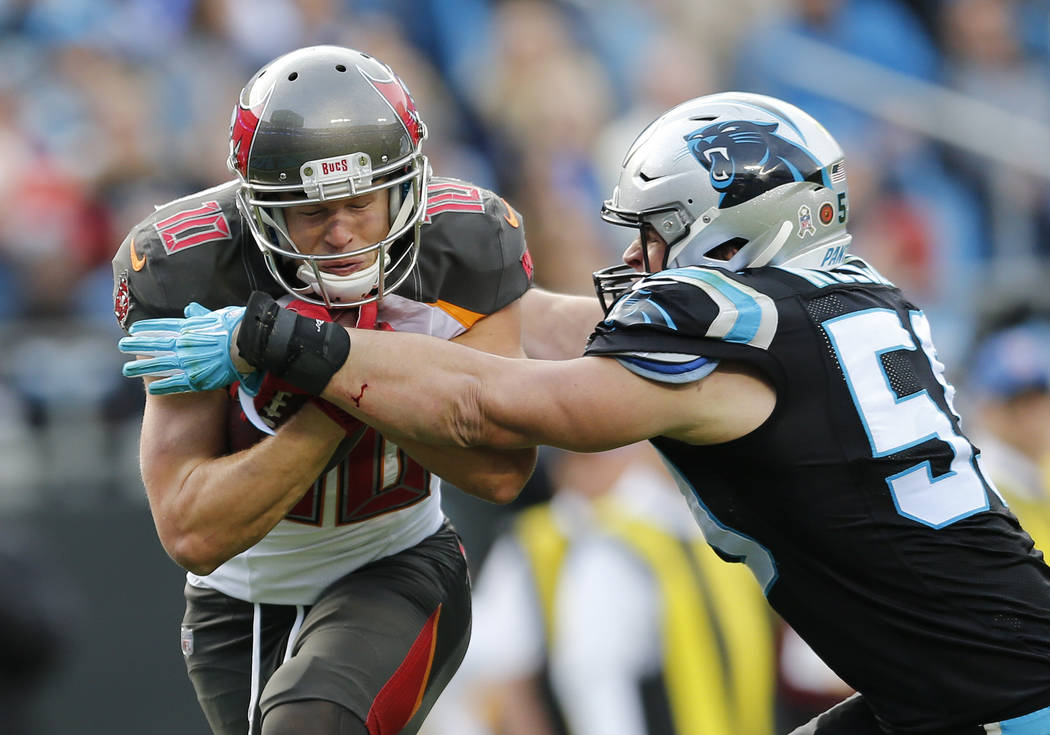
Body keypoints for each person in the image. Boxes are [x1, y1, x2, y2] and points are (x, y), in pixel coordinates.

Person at [120, 92, 1050, 734]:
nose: (641, 261)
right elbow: (558, 328)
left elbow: (490, 406)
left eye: (657, 233)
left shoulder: (726, 332)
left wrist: (288, 340)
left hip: (991, 698)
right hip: (964, 673)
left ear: (729, 230)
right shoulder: (858, 299)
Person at [111, 45, 537, 735]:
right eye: (311, 210)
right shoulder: (191, 266)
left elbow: (501, 470)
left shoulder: (462, 243)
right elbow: (191, 528)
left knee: (311, 720)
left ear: (404, 188)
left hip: (398, 560)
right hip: (236, 603)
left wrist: (339, 364)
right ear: (260, 209)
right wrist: (343, 390)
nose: (341, 233)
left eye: (361, 202)